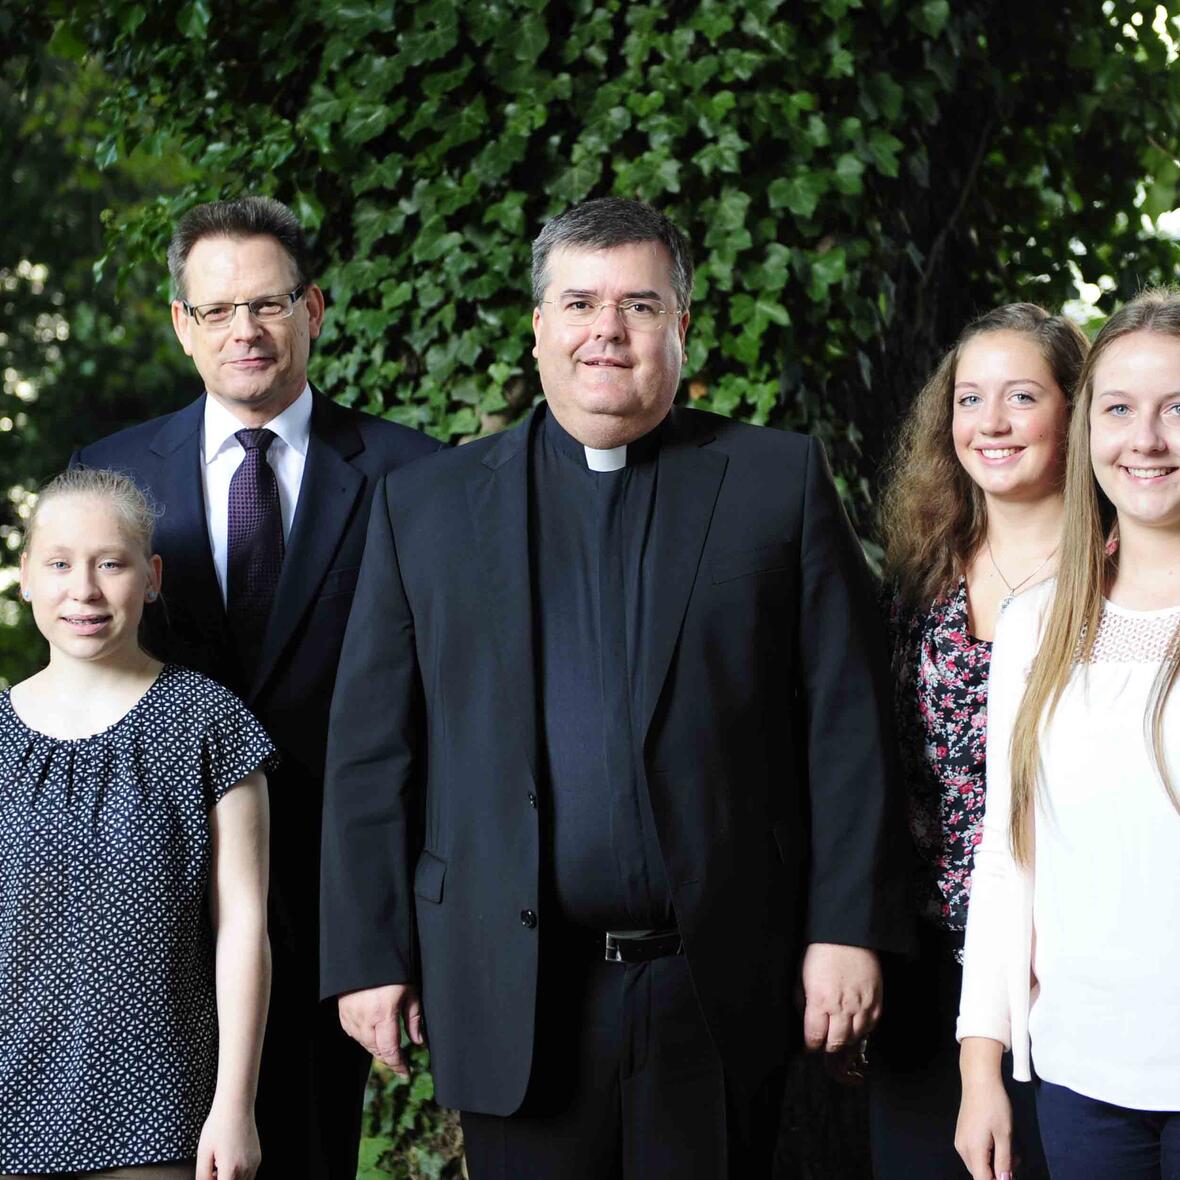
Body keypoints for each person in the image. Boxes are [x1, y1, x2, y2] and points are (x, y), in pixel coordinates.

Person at [319, 196, 911, 1178]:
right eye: (581, 302)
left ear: (680, 325)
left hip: (714, 981)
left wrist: (846, 927)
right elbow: (372, 750)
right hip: (514, 986)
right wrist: (369, 953)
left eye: (638, 304)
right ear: (540, 325)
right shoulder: (423, 507)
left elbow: (847, 728)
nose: (607, 330)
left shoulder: (776, 484)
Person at [71, 197, 443, 1180]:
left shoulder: (419, 478)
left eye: (269, 303)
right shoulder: (107, 478)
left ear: (313, 309)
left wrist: (401, 930)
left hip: (337, 912)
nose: (247, 329)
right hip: (150, 913)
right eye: (219, 308)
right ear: (182, 324)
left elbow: (449, 717)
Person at [956, 287, 1180, 1180]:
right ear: (1090, 429)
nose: (1147, 439)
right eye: (1120, 409)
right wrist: (982, 1068)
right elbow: (1006, 859)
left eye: (1176, 409)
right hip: (1082, 1083)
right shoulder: (1035, 625)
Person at [0, 468, 272, 1180]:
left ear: (150, 578)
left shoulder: (208, 723)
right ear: (26, 576)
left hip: (161, 1113)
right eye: (58, 564)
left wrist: (233, 1106)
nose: (83, 590)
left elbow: (242, 926)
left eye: (110, 563)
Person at [871, 304, 1087, 1177]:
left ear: (1075, 412)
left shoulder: (1120, 575)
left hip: (1061, 970)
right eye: (970, 399)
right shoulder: (921, 573)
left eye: (1022, 396)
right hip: (924, 972)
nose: (990, 424)